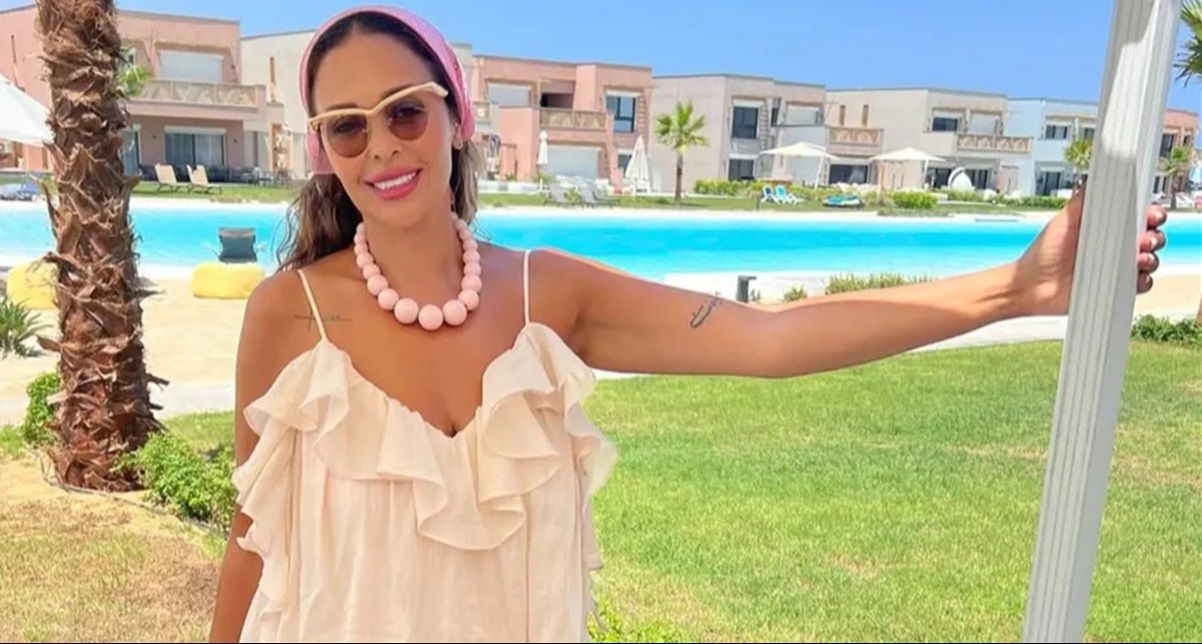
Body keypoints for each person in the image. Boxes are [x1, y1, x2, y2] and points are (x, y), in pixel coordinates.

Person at [208, 6, 1169, 642]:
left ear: (456, 118)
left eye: (405, 112)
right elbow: (254, 538)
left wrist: (1019, 288)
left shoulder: (548, 296)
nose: (380, 145)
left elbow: (772, 339)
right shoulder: (290, 315)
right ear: (324, 150)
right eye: (347, 125)